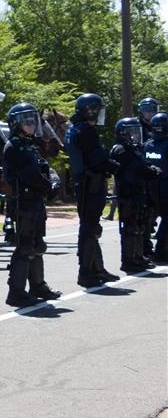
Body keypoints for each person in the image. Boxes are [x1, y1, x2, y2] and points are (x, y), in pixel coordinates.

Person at [2, 103, 63, 307]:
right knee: (25, 247)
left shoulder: (30, 145)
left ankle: (37, 286)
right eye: (25, 120)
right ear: (15, 124)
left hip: (35, 202)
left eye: (32, 120)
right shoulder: (15, 146)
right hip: (23, 202)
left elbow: (45, 168)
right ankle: (16, 292)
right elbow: (30, 175)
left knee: (38, 245)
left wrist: (54, 181)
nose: (30, 124)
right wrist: (49, 187)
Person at [65, 93, 120, 287]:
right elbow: (98, 160)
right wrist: (116, 165)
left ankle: (97, 268)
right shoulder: (86, 131)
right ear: (90, 110)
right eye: (97, 109)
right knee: (89, 228)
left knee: (89, 226)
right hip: (92, 184)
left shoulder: (74, 129)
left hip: (84, 184)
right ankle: (86, 272)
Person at [110, 117, 161, 273]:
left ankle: (138, 256)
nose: (134, 136)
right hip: (128, 193)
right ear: (123, 133)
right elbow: (139, 169)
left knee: (139, 227)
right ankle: (129, 260)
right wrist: (152, 171)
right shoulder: (122, 150)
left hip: (137, 192)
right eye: (131, 132)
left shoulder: (132, 149)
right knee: (131, 228)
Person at [144, 112, 168, 262]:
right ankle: (161, 251)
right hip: (165, 185)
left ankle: (145, 250)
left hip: (148, 186)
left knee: (146, 219)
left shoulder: (147, 145)